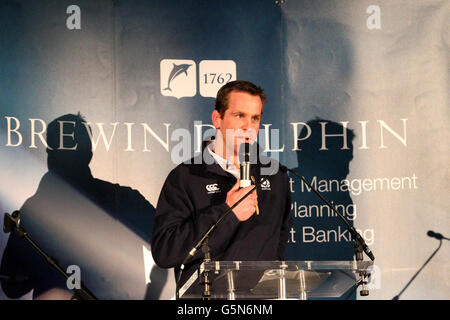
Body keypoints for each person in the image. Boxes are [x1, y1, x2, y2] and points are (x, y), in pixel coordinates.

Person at [0, 113, 166, 299]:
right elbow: (169, 244)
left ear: (49, 155)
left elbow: (12, 286)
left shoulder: (32, 211)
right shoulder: (124, 199)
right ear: (89, 154)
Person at [151, 80, 293, 291]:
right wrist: (227, 213)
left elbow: (278, 245)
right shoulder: (186, 177)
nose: (248, 126)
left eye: (255, 118)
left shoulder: (276, 177)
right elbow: (165, 252)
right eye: (239, 116)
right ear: (217, 119)